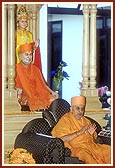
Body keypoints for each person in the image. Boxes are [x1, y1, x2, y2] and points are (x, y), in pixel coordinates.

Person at [51, 96, 111, 164]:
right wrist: (79, 132)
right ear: (71, 109)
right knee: (87, 157)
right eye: (77, 108)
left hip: (92, 147)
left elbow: (96, 141)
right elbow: (59, 140)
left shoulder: (87, 121)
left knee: (110, 151)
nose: (80, 111)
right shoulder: (65, 120)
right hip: (77, 149)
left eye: (82, 109)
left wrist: (91, 135)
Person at [15, 43, 58, 111]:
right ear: (20, 56)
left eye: (30, 54)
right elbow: (14, 86)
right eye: (26, 54)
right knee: (26, 100)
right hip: (24, 96)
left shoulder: (36, 69)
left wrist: (52, 92)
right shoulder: (16, 69)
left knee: (54, 99)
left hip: (38, 95)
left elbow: (43, 85)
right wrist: (17, 90)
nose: (29, 57)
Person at [16, 5, 42, 71]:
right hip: (17, 58)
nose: (24, 23)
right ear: (18, 23)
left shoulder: (29, 34)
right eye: (22, 21)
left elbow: (31, 48)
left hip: (27, 59)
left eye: (26, 21)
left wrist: (35, 46)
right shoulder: (14, 33)